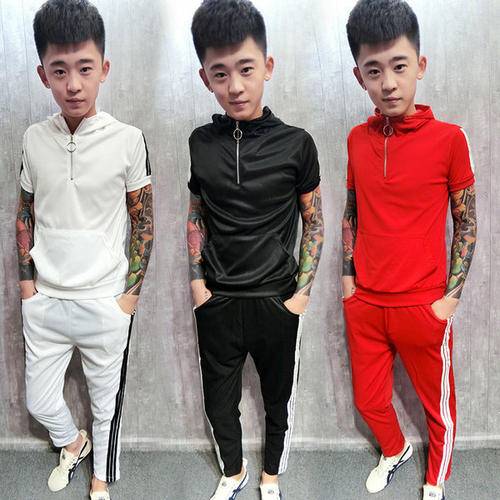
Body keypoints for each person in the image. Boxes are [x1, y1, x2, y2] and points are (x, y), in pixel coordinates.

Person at [16, 1, 153, 498]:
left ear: (104, 69)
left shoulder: (128, 140)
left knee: (105, 405)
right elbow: (25, 212)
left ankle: (100, 478)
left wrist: (128, 298)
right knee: (38, 400)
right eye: (60, 70)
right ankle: (73, 443)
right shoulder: (33, 139)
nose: (73, 84)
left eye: (85, 68)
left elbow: (144, 220)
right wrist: (27, 287)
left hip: (104, 300)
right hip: (46, 300)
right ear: (43, 75)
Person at [187, 1, 324, 498]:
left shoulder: (297, 143)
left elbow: (315, 222)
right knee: (218, 403)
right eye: (220, 74)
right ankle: (233, 471)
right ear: (205, 78)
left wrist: (300, 296)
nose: (235, 86)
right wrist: (198, 285)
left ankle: (270, 476)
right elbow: (196, 215)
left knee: (277, 401)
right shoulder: (200, 142)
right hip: (218, 299)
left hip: (276, 298)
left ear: (267, 66)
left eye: (246, 69)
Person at [342, 1, 477, 499]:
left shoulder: (450, 139)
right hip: (366, 303)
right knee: (368, 400)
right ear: (360, 76)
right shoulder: (356, 140)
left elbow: (467, 222)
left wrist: (450, 299)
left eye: (399, 66)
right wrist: (348, 283)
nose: (389, 83)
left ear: (420, 65)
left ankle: (435, 480)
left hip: (423, 303)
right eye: (374, 71)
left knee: (436, 405)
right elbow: (352, 211)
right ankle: (395, 449)